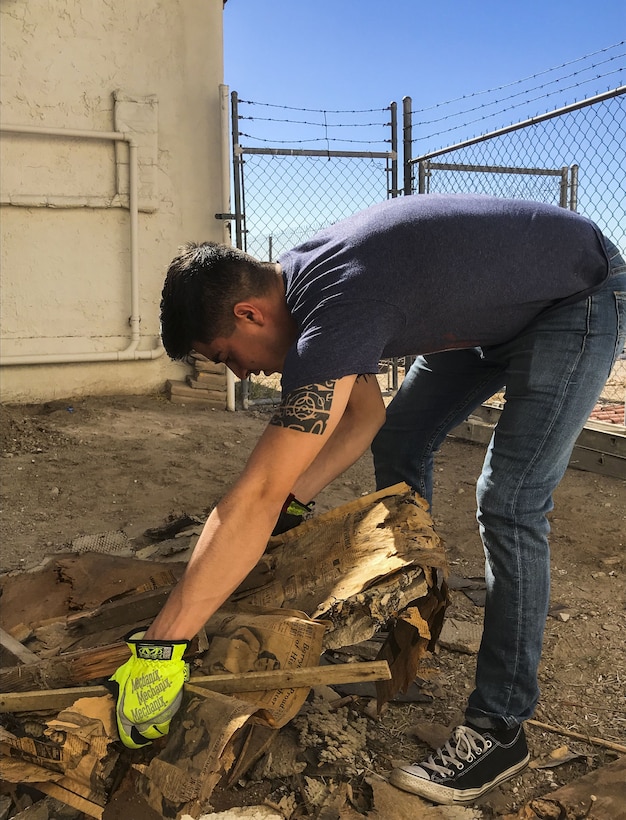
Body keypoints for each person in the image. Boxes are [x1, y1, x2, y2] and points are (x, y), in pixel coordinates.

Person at [110, 193, 625, 805]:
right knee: (405, 439)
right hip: (497, 314)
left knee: (509, 501)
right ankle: (415, 632)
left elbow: (254, 493)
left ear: (248, 314)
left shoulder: (335, 311)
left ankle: (501, 726)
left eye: (226, 357)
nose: (242, 376)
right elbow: (365, 419)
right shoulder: (304, 287)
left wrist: (163, 646)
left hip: (575, 298)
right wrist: (290, 507)